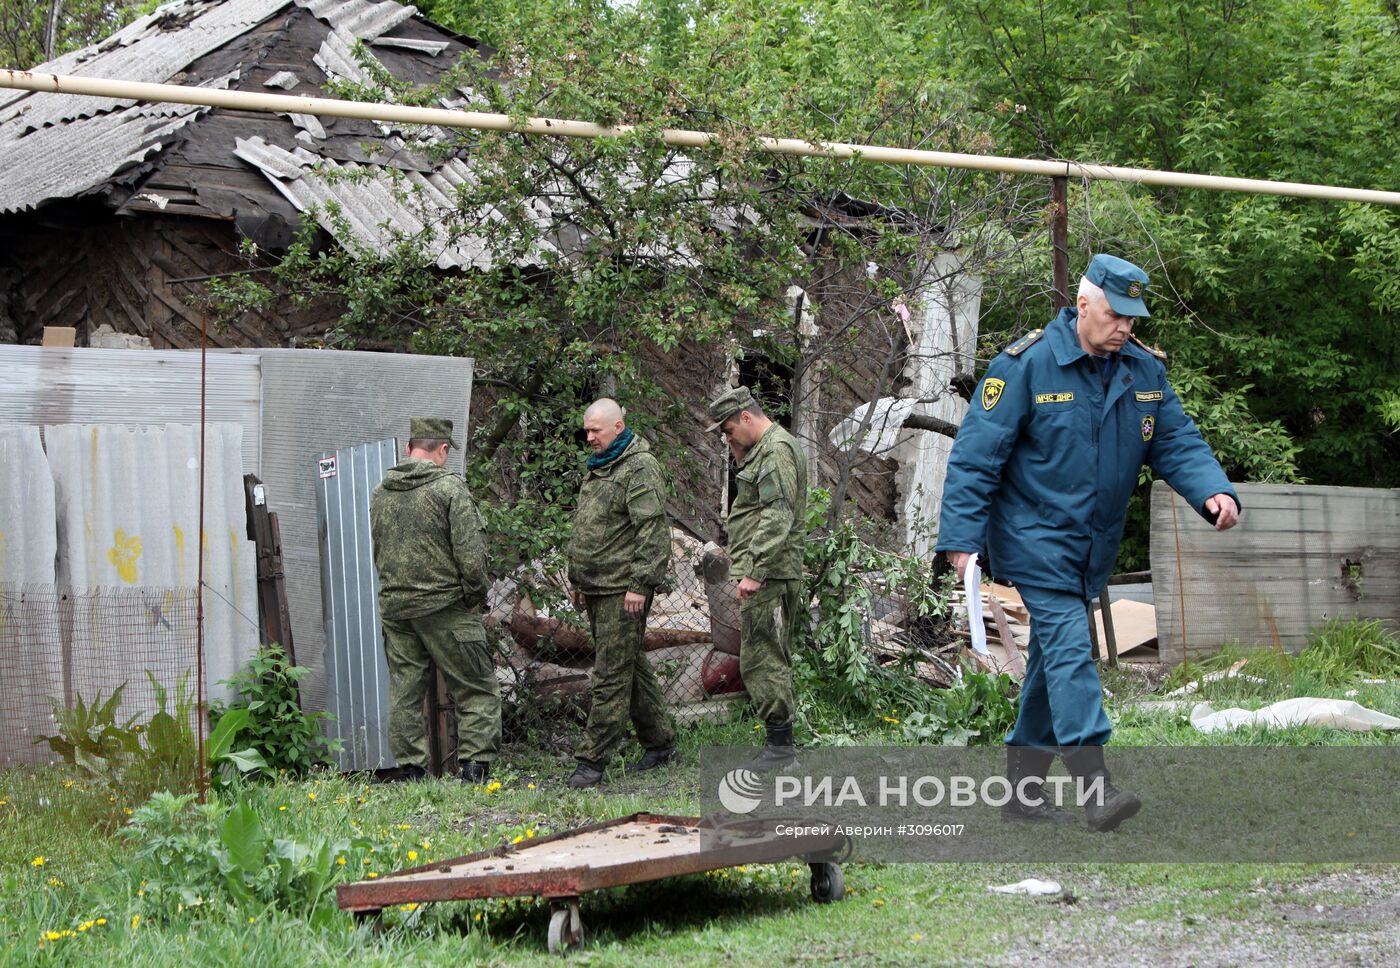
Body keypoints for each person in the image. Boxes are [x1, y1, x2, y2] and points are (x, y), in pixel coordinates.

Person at [936, 254, 1240, 831]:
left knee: (1052, 666)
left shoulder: (1143, 373)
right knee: (1073, 651)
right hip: (1035, 540)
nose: (1125, 327)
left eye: (1132, 317)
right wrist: (961, 540)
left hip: (1092, 547)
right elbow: (976, 459)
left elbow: (1176, 440)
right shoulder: (1026, 366)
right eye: (1115, 313)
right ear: (1083, 305)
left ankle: (1022, 794)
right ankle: (1094, 788)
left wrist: (1213, 494)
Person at [369, 417, 501, 784]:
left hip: (397, 608)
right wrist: (473, 596)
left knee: (405, 691)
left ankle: (411, 769)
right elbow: (472, 557)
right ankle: (474, 768)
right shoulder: (449, 489)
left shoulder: (381, 491)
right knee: (476, 686)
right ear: (442, 450)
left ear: (410, 448)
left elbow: (379, 551)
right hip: (445, 606)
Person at [564, 399, 678, 788]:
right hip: (597, 586)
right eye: (587, 430)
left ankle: (591, 763)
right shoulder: (600, 466)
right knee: (630, 667)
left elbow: (652, 531)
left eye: (596, 430)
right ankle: (661, 743)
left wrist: (639, 584)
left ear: (618, 426)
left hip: (621, 590)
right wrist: (580, 579)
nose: (589, 436)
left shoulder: (639, 467)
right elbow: (592, 528)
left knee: (611, 675)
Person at [705, 386, 808, 770]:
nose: (729, 438)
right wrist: (739, 452)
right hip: (770, 572)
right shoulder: (765, 450)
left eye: (730, 431)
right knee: (765, 654)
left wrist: (755, 570)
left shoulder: (776, 452)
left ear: (746, 417)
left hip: (770, 574)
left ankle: (781, 750)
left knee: (762, 658)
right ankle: (780, 746)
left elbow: (776, 515)